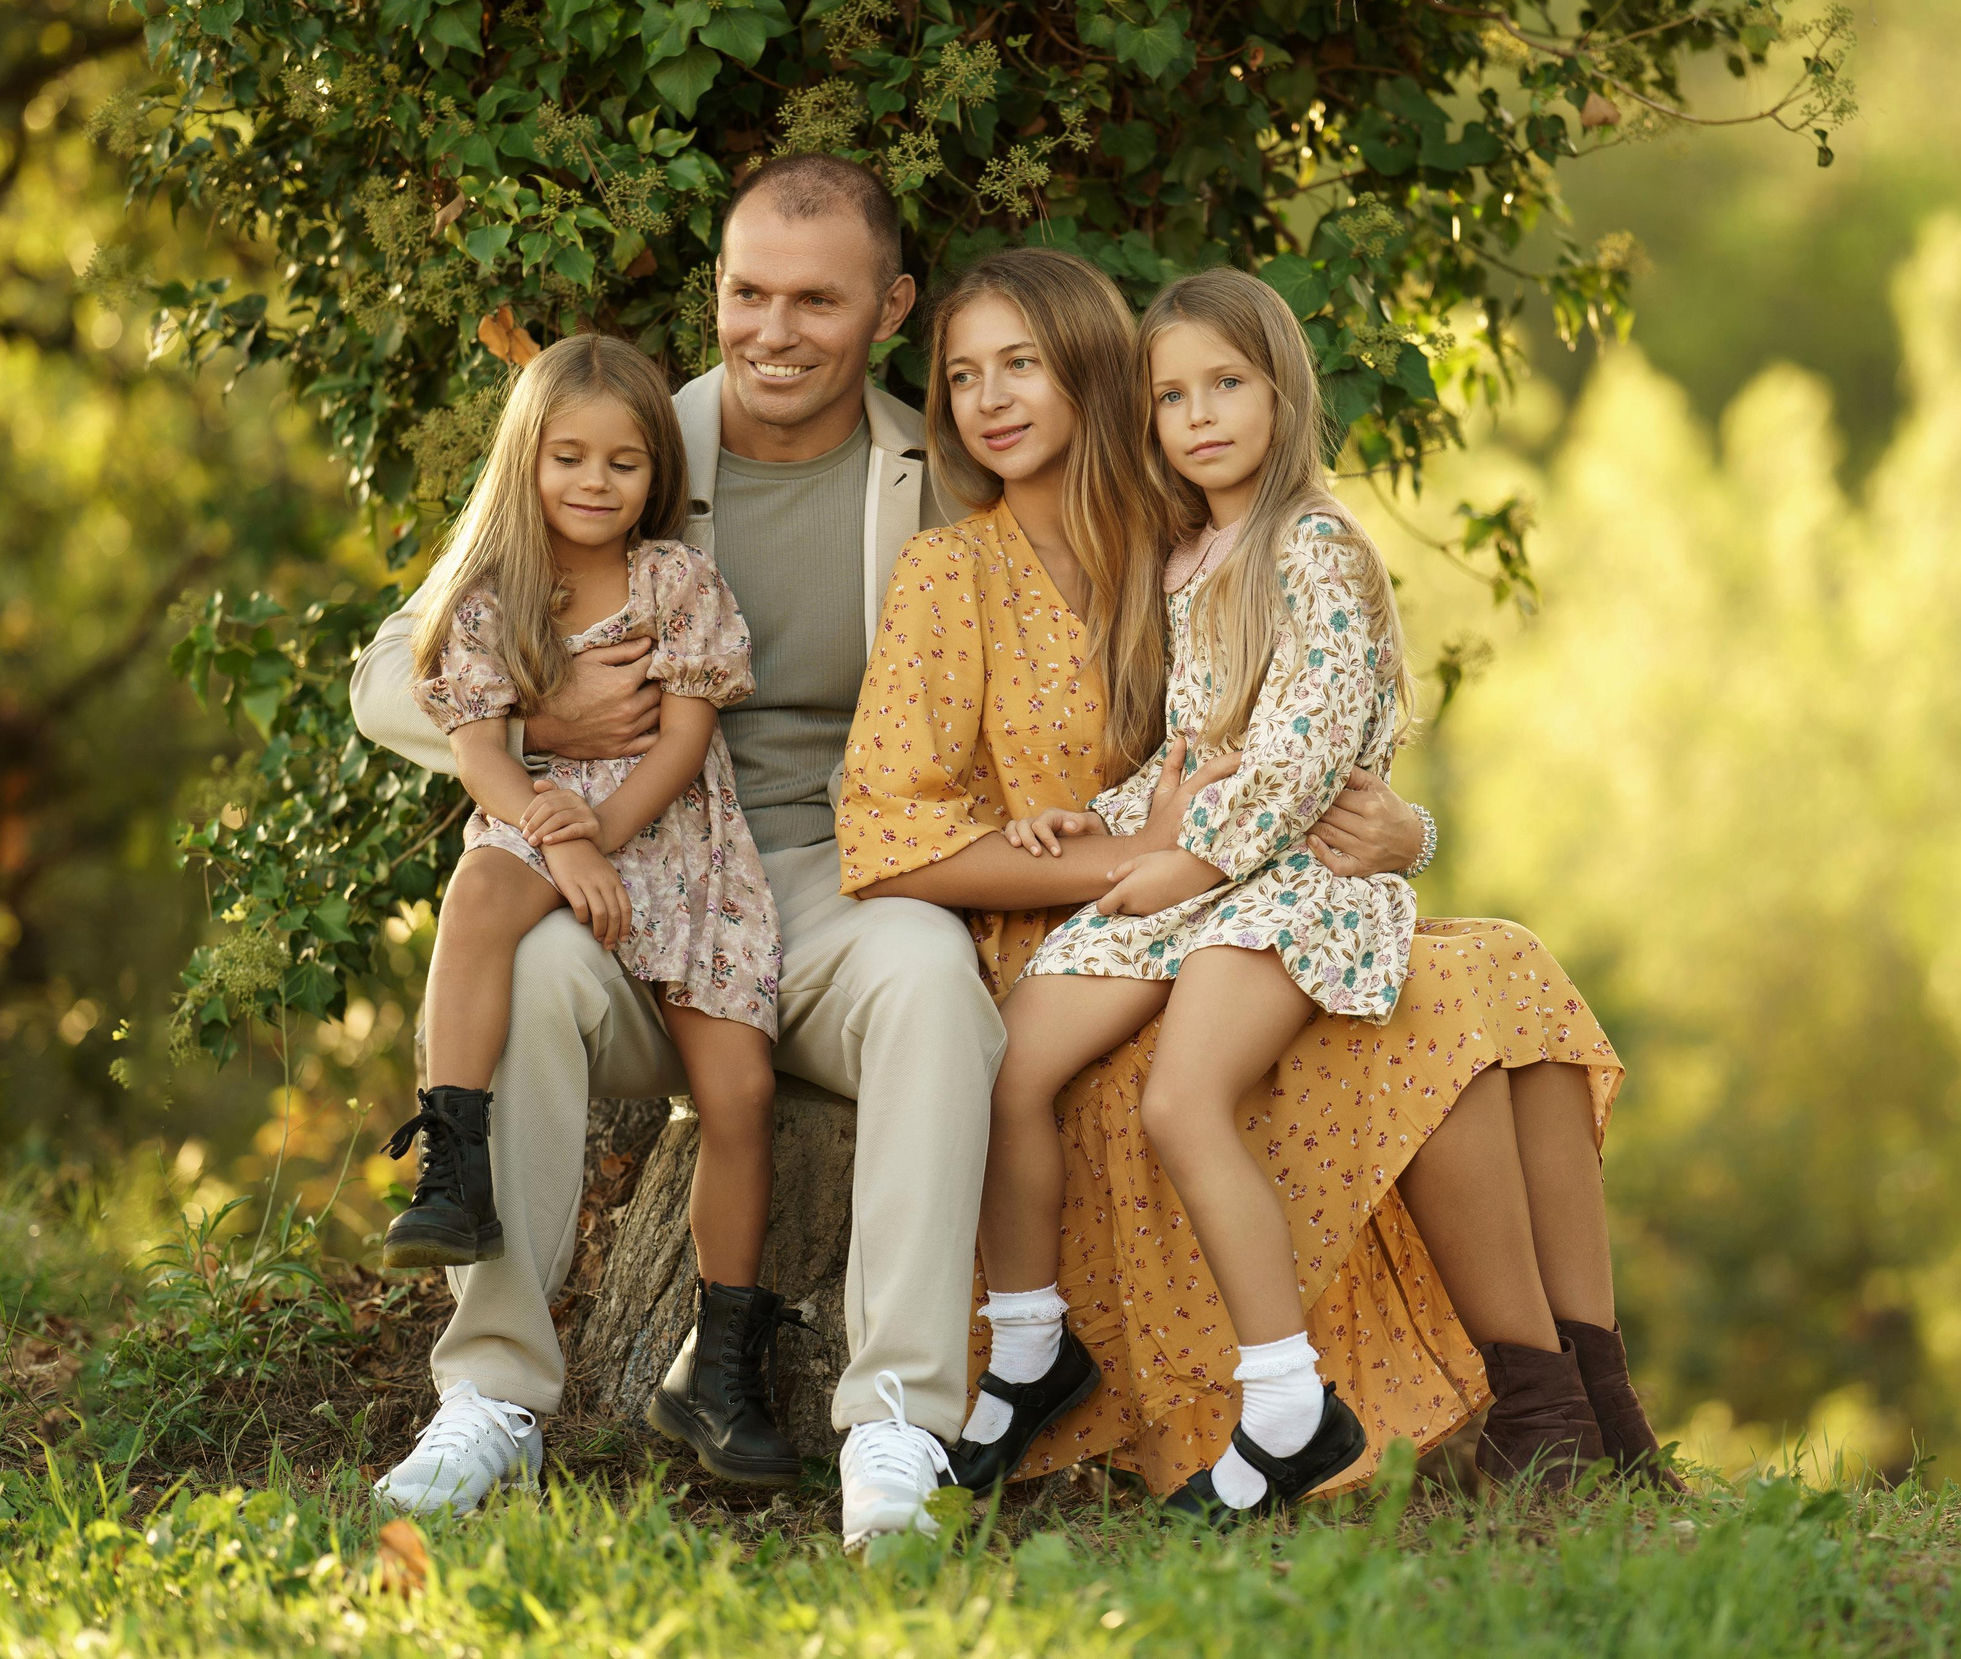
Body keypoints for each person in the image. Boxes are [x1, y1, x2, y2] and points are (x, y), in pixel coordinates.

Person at [837, 253, 1680, 1518]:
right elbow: (900, 833)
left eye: (1023, 364)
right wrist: (1122, 846)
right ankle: (1523, 1409)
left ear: (1091, 380)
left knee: (1496, 966)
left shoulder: (1188, 544)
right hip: (1129, 912)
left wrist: (1403, 827)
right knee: (1432, 1006)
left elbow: (1299, 736)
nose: (990, 399)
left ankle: (1586, 1414)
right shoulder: (966, 571)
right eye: (962, 375)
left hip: (1237, 890)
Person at [354, 156, 1006, 1547]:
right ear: (716, 289)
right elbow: (382, 675)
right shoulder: (625, 438)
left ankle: (897, 1426)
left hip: (835, 876)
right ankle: (495, 1400)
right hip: (627, 868)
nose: (772, 331)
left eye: (815, 301)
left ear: (888, 307)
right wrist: (541, 710)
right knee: (520, 981)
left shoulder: (931, 477)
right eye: (746, 292)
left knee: (933, 982)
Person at [383, 331, 793, 1486]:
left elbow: (686, 739)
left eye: (622, 463)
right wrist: (559, 841)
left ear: (655, 472)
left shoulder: (677, 585)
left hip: (682, 847)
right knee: (474, 892)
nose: (593, 484)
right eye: (568, 457)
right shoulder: (494, 594)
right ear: (529, 458)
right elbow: (479, 756)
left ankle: (720, 1356)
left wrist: (600, 839)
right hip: (538, 829)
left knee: (740, 1092)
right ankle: (454, 1158)